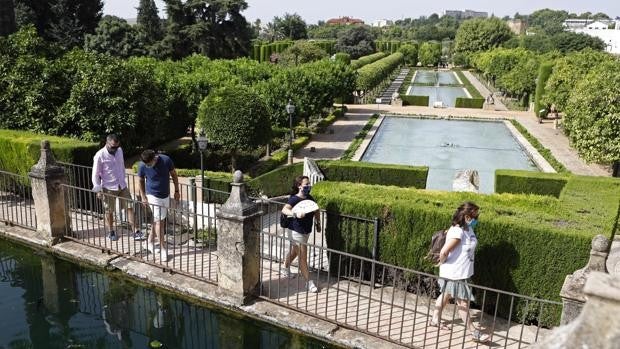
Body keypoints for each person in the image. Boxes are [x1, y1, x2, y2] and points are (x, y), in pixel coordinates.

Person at [430, 201, 489, 343]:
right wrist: (441, 263)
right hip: (455, 273)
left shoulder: (468, 229)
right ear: (466, 216)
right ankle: (473, 332)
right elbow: (444, 251)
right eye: (475, 215)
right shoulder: (457, 232)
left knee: (446, 295)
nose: (476, 218)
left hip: (462, 271)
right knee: (463, 303)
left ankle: (434, 319)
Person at [92, 134, 143, 241]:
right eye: (112, 147)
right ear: (107, 143)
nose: (114, 149)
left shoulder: (119, 150)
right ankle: (111, 231)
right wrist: (98, 189)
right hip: (108, 187)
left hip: (122, 185)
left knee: (130, 207)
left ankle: (136, 231)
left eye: (116, 146)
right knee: (109, 211)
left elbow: (121, 165)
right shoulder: (99, 155)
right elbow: (95, 174)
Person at [280, 175, 321, 293]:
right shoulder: (294, 199)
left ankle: (285, 267)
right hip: (295, 231)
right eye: (306, 184)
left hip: (306, 231)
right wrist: (295, 213)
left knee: (295, 251)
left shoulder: (310, 198)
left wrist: (318, 223)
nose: (309, 186)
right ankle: (309, 283)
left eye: (309, 184)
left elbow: (316, 209)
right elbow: (284, 209)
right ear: (299, 186)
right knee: (303, 257)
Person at [137, 150, 180, 262]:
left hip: (165, 195)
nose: (147, 166)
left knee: (158, 220)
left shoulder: (166, 160)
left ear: (155, 158)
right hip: (152, 195)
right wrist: (143, 196)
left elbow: (174, 174)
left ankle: (149, 242)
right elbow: (141, 180)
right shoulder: (142, 165)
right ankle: (163, 248)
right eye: (146, 164)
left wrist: (176, 190)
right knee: (160, 222)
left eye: (149, 164)